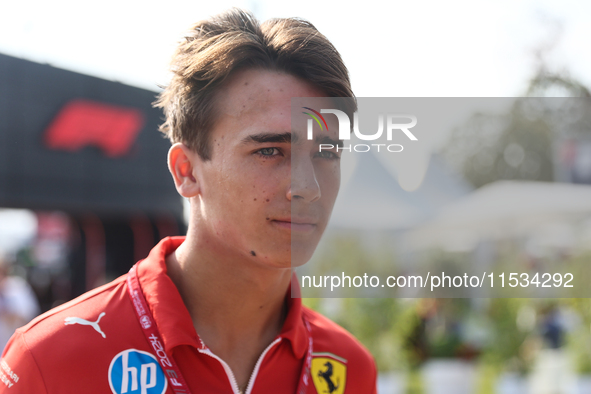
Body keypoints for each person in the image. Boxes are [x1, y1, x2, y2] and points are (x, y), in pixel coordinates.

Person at [0, 9, 377, 393]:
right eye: (270, 151)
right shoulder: (49, 360)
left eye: (327, 152)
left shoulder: (350, 367)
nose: (308, 187)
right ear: (187, 171)